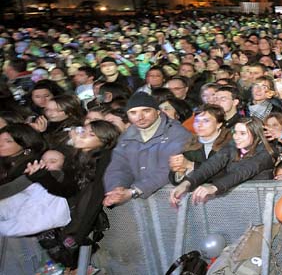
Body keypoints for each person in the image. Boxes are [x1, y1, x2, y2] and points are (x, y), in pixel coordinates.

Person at [25, 120, 119, 269]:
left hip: (86, 222)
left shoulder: (105, 158)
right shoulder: (78, 156)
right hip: (73, 220)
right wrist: (41, 175)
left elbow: (93, 199)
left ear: (103, 141)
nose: (82, 136)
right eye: (84, 131)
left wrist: (78, 236)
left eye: (91, 134)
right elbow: (67, 189)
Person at [103, 92, 191, 206]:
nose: (140, 117)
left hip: (174, 200)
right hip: (142, 204)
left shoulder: (177, 133)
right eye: (133, 113)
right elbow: (118, 167)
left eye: (146, 111)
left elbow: (168, 170)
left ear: (158, 111)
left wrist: (134, 191)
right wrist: (116, 190)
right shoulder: (126, 137)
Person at [169, 116, 276, 205]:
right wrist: (187, 183)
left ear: (256, 134)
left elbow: (243, 172)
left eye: (242, 133)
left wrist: (214, 187)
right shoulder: (232, 146)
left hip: (259, 203)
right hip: (235, 203)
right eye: (235, 132)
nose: (236, 137)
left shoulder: (266, 152)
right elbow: (211, 165)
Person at [168, 104, 232, 185]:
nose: (199, 125)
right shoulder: (190, 145)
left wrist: (191, 165)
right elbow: (175, 179)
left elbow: (227, 172)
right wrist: (180, 171)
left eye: (206, 121)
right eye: (197, 121)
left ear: (219, 124)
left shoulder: (231, 142)